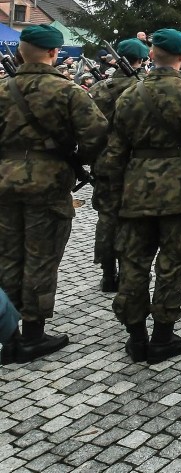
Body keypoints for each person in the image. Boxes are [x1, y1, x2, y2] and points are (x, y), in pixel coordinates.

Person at [99, 28, 181, 364]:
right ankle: (162, 335)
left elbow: (113, 153)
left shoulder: (129, 97)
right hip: (180, 191)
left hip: (135, 191)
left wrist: (111, 194)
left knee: (133, 262)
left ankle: (136, 336)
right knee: (172, 264)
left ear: (152, 55)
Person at [0, 25, 109, 363]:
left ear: (20, 52)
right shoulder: (68, 92)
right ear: (53, 53)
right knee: (41, 256)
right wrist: (79, 160)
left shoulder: (2, 90)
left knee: (7, 256)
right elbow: (96, 133)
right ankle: (33, 334)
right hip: (47, 184)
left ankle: (9, 336)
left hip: (4, 182)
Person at [88, 38, 150, 293]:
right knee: (133, 218)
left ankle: (107, 273)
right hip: (136, 161)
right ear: (141, 60)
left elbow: (89, 128)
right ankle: (129, 269)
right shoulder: (143, 89)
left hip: (105, 160)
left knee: (107, 217)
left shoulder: (100, 88)